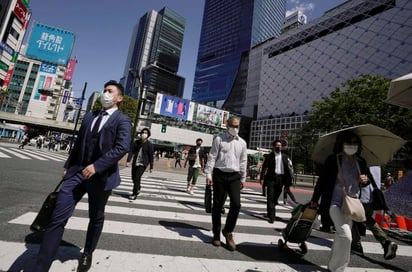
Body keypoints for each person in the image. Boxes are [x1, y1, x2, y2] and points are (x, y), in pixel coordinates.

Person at [33, 80, 131, 272]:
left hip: (101, 177)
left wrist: (97, 166)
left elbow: (122, 147)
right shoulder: (89, 117)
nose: (105, 94)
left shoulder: (122, 120)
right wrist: (68, 166)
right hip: (76, 173)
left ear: (119, 98)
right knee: (57, 217)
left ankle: (87, 252)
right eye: (104, 90)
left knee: (96, 217)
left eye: (110, 91)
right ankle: (41, 267)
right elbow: (79, 144)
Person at [309, 130, 371, 272]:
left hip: (350, 205)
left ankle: (333, 267)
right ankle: (338, 269)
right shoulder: (333, 159)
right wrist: (314, 199)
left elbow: (365, 181)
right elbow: (322, 181)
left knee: (340, 236)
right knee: (346, 236)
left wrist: (365, 180)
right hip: (334, 203)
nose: (352, 145)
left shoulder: (361, 162)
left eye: (355, 143)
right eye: (349, 142)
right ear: (341, 143)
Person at [204, 116, 247, 251]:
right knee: (218, 205)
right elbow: (212, 157)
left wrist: (243, 178)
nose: (235, 128)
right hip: (219, 175)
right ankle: (216, 234)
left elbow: (243, 161)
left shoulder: (242, 143)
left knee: (236, 204)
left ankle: (228, 231)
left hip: (234, 176)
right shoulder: (219, 139)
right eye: (233, 126)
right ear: (227, 126)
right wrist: (208, 174)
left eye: (237, 126)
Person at [351, 166, 397, 259]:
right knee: (366, 219)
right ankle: (384, 242)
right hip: (372, 196)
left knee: (353, 217)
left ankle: (357, 246)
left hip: (362, 195)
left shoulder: (364, 159)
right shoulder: (377, 162)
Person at [259, 140, 294, 223]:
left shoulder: (285, 157)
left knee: (275, 197)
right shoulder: (269, 156)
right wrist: (262, 178)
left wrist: (289, 181)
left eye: (280, 146)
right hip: (271, 178)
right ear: (273, 147)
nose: (279, 147)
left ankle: (270, 210)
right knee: (270, 197)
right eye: (277, 146)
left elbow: (288, 169)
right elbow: (264, 168)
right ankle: (272, 216)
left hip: (281, 179)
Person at [126, 128, 154, 200]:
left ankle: (134, 194)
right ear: (141, 134)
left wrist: (151, 167)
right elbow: (131, 151)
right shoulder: (136, 142)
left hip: (143, 163)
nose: (144, 134)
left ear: (148, 135)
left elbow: (151, 156)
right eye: (143, 132)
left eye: (146, 133)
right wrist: (128, 160)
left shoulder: (150, 145)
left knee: (137, 177)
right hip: (135, 162)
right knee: (134, 178)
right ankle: (138, 187)